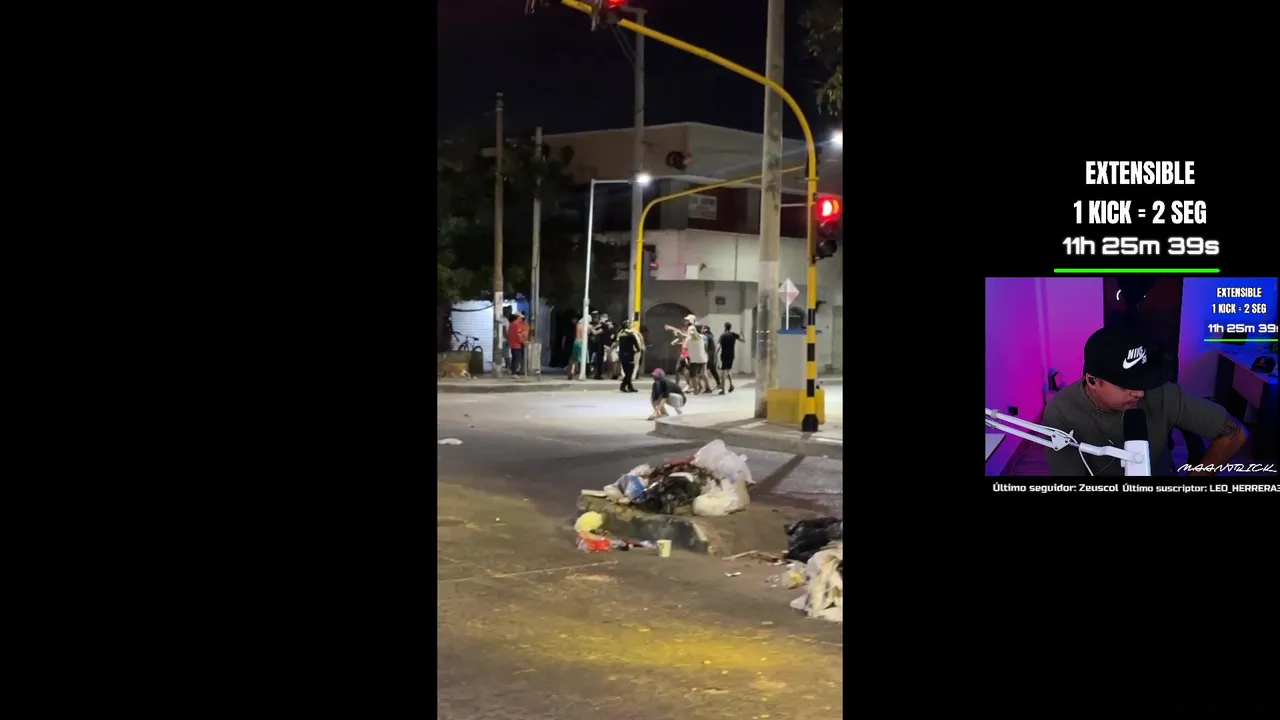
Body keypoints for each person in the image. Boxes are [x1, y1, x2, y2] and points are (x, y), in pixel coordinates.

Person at [1042, 326, 1248, 476]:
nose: (1140, 393)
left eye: (1142, 380)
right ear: (1093, 381)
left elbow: (1235, 434)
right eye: (1127, 384)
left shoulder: (1161, 392)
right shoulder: (1060, 412)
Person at [616, 320, 641, 393]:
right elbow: (636, 344)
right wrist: (638, 350)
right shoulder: (631, 334)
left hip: (622, 355)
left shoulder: (620, 334)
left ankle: (630, 387)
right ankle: (623, 386)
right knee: (629, 372)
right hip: (629, 355)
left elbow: (617, 343)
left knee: (627, 372)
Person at [718, 322, 743, 394]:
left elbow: (719, 345)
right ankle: (731, 386)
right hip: (731, 355)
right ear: (730, 327)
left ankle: (723, 390)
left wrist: (715, 354)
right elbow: (743, 340)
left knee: (723, 372)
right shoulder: (733, 335)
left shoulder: (723, 335)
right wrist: (741, 334)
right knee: (728, 370)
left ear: (725, 327)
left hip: (724, 355)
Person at [701, 324, 722, 392]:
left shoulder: (706, 336)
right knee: (713, 370)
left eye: (702, 328)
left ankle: (707, 388)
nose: (701, 330)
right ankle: (719, 384)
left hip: (708, 355)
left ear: (705, 329)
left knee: (702, 371)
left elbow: (705, 345)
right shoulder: (710, 335)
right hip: (712, 355)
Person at [507, 311, 529, 375]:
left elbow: (510, 334)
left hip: (513, 344)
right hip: (517, 344)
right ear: (517, 317)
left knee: (514, 359)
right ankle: (514, 373)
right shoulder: (517, 325)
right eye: (520, 317)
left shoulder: (511, 324)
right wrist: (523, 341)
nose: (521, 318)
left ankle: (513, 372)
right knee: (517, 359)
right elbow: (518, 335)